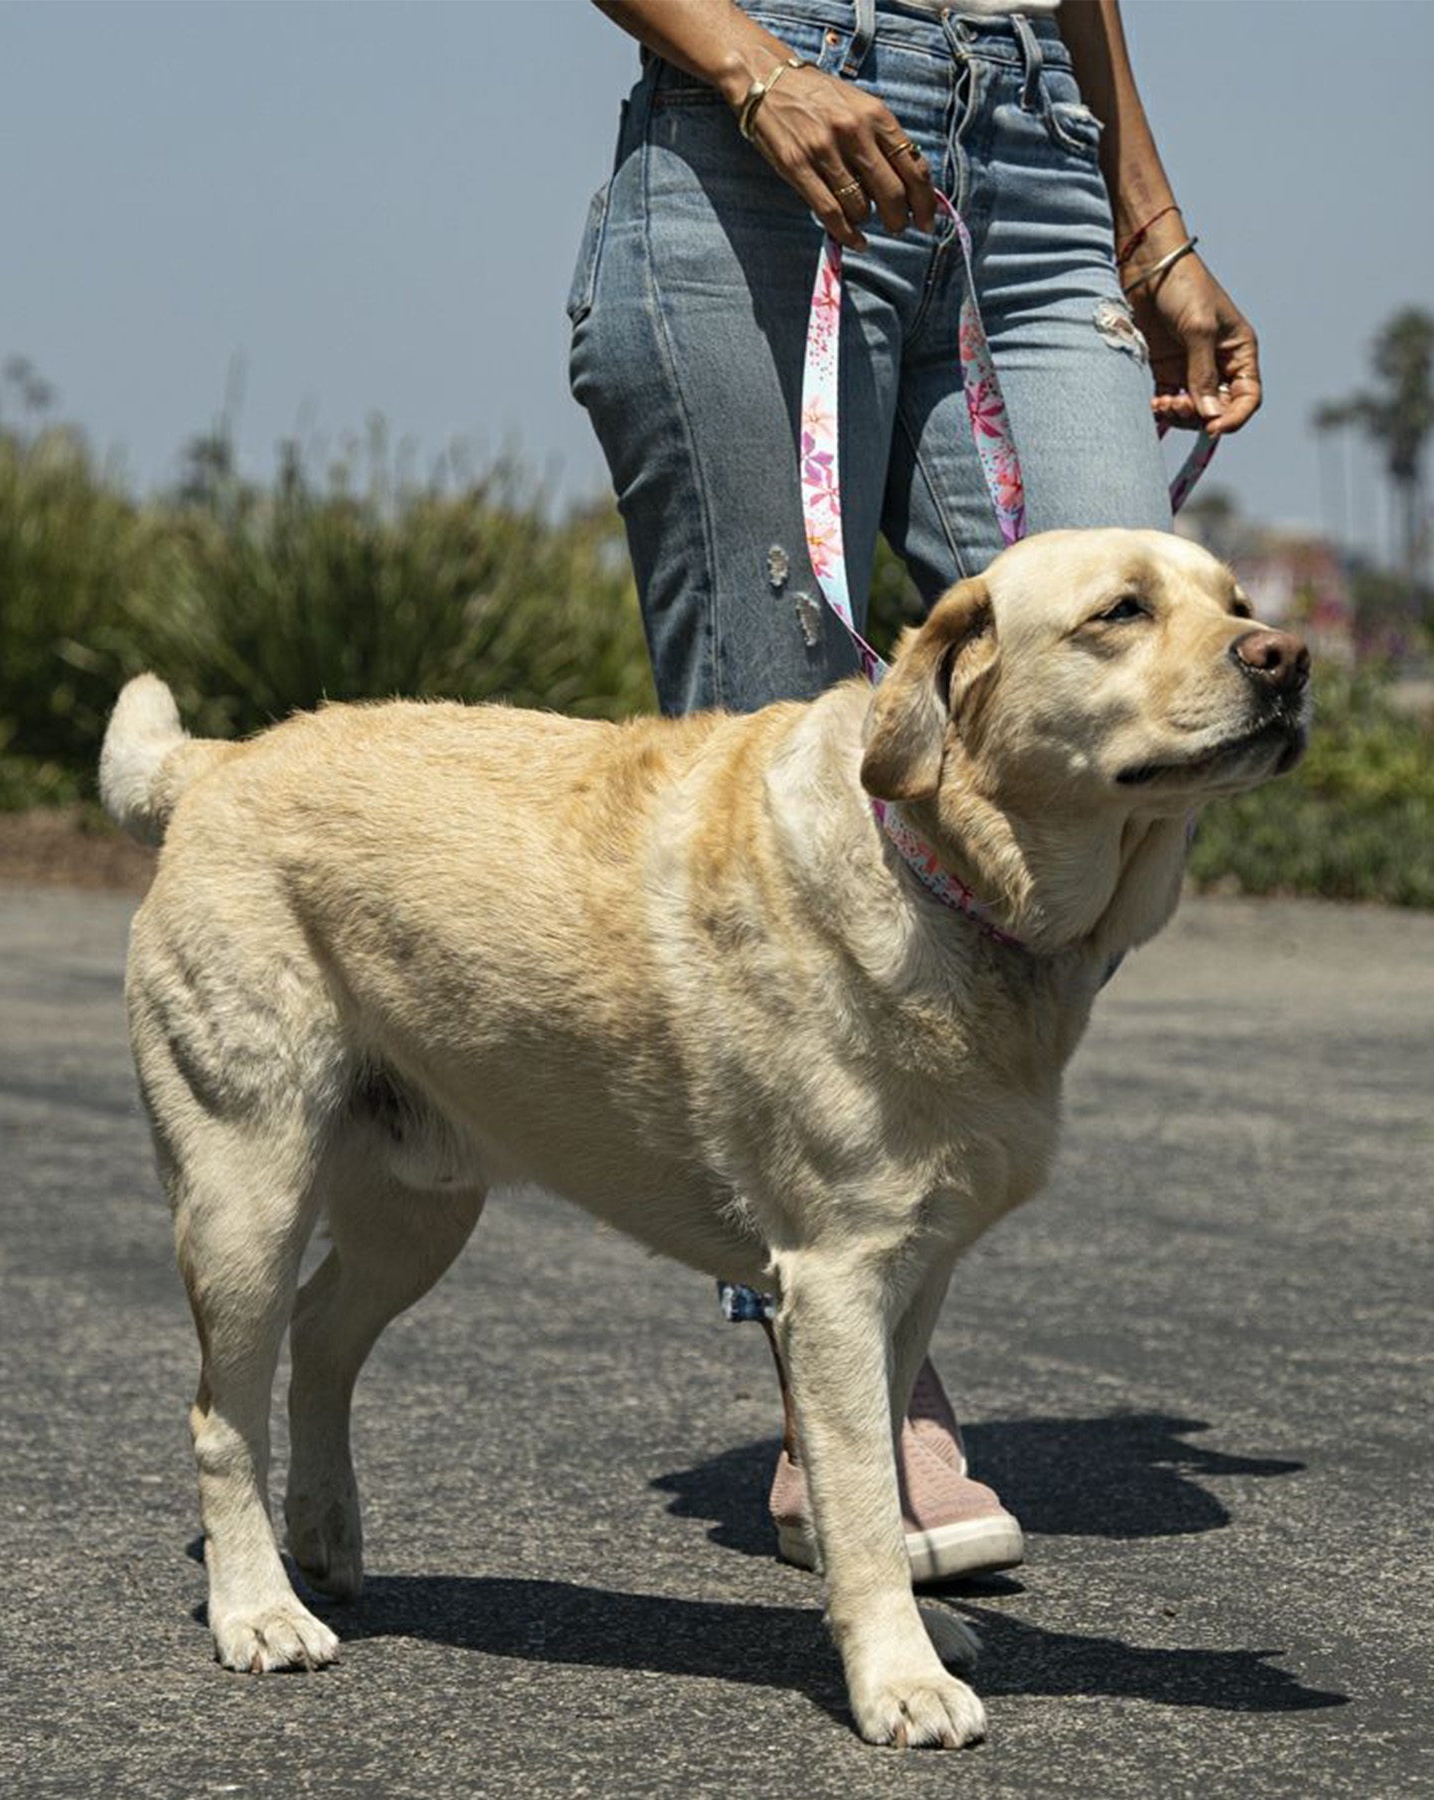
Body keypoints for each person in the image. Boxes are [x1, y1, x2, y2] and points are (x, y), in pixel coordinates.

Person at [567, 0, 1260, 1581]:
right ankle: (852, 1381)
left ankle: (905, 1241)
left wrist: (1149, 225)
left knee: (1142, 709)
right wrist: (749, 67)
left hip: (1029, 152)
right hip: (761, 119)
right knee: (762, 782)